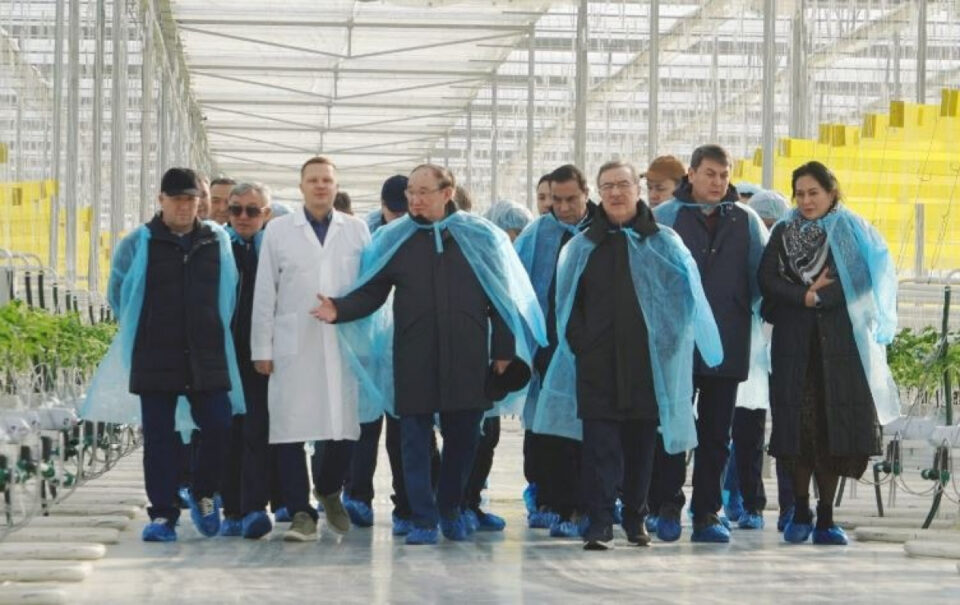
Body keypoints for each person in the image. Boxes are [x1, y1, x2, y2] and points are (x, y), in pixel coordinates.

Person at [311, 164, 545, 545]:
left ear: (447, 193)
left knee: (463, 439)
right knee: (413, 441)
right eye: (411, 193)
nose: (415, 200)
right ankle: (422, 518)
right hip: (413, 356)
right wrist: (339, 308)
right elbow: (372, 292)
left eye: (423, 192)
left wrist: (504, 350)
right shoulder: (396, 239)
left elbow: (501, 298)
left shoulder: (480, 237)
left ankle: (450, 510)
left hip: (468, 356)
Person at [536, 160, 721, 550]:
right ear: (598, 193)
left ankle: (636, 517)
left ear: (637, 189)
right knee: (599, 448)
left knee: (641, 447)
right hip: (597, 365)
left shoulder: (665, 242)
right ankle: (600, 521)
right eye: (608, 186)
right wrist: (584, 345)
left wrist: (666, 347)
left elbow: (683, 300)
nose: (616, 193)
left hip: (647, 365)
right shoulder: (582, 246)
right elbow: (565, 303)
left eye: (623, 184)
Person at [82, 167, 245, 542]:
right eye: (177, 200)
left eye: (191, 199)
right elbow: (118, 293)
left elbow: (229, 291)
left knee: (219, 425)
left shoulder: (216, 239)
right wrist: (147, 330)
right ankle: (162, 515)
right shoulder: (139, 242)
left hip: (206, 353)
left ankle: (204, 493)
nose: (185, 207)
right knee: (158, 437)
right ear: (161, 200)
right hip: (155, 355)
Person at [758, 161, 897, 545]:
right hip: (793, 346)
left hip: (839, 347)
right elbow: (767, 279)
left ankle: (826, 517)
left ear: (831, 192)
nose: (806, 201)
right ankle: (800, 509)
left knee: (831, 429)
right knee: (798, 430)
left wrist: (818, 297)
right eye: (800, 194)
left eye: (814, 193)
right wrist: (803, 295)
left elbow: (858, 278)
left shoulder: (848, 229)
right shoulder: (783, 231)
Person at [651, 144, 768, 544]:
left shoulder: (746, 220)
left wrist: (739, 307)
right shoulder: (665, 217)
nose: (717, 182)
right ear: (692, 173)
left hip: (727, 340)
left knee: (717, 433)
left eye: (724, 175)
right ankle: (666, 506)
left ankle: (706, 512)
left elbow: (759, 278)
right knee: (672, 425)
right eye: (710, 174)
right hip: (675, 343)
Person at [251, 156, 371, 542]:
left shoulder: (357, 230)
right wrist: (261, 347)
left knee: (343, 426)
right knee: (289, 427)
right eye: (313, 180)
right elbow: (265, 291)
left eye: (327, 180)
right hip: (293, 340)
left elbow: (370, 289)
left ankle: (329, 488)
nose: (320, 186)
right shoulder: (279, 230)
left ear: (336, 187)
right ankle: (301, 512)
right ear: (301, 186)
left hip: (343, 340)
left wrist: (370, 342)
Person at [342, 174, 442, 534]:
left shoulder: (430, 234)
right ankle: (358, 495)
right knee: (364, 425)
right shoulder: (369, 237)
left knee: (408, 431)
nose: (400, 217)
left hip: (409, 347)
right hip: (368, 348)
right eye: (394, 210)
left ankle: (408, 505)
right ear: (383, 206)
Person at [517, 164, 597, 538]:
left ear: (586, 193)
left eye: (570, 199)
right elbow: (517, 287)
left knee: (591, 431)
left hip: (595, 350)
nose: (562, 208)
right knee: (550, 431)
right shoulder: (538, 234)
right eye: (556, 200)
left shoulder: (604, 231)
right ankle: (555, 502)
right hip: (549, 348)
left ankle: (587, 504)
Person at [456, 199, 535, 533]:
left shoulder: (511, 264)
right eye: (511, 233)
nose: (514, 241)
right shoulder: (478, 257)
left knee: (488, 436)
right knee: (468, 436)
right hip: (472, 359)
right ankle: (457, 503)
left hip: (497, 363)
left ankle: (471, 502)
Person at [720, 189, 793, 531]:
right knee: (746, 432)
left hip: (786, 353)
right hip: (750, 354)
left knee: (788, 434)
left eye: (773, 225)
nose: (766, 232)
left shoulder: (790, 254)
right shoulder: (743, 253)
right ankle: (750, 503)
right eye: (762, 224)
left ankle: (791, 506)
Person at [216, 182, 279, 540]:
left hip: (262, 355)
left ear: (266, 214)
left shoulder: (274, 250)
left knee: (257, 428)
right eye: (236, 209)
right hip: (222, 354)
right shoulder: (216, 246)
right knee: (227, 431)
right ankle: (232, 509)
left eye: (252, 211)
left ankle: (255, 506)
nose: (243, 217)